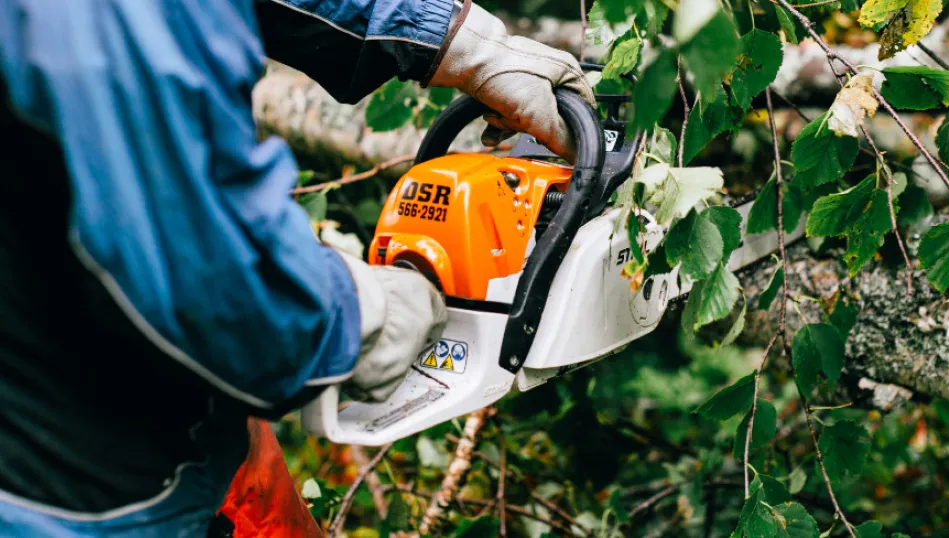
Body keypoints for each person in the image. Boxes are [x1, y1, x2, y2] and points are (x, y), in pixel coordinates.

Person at [0, 0, 594, 536]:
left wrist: (448, 37)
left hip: (161, 411)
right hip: (76, 485)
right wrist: (359, 317)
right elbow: (215, 287)